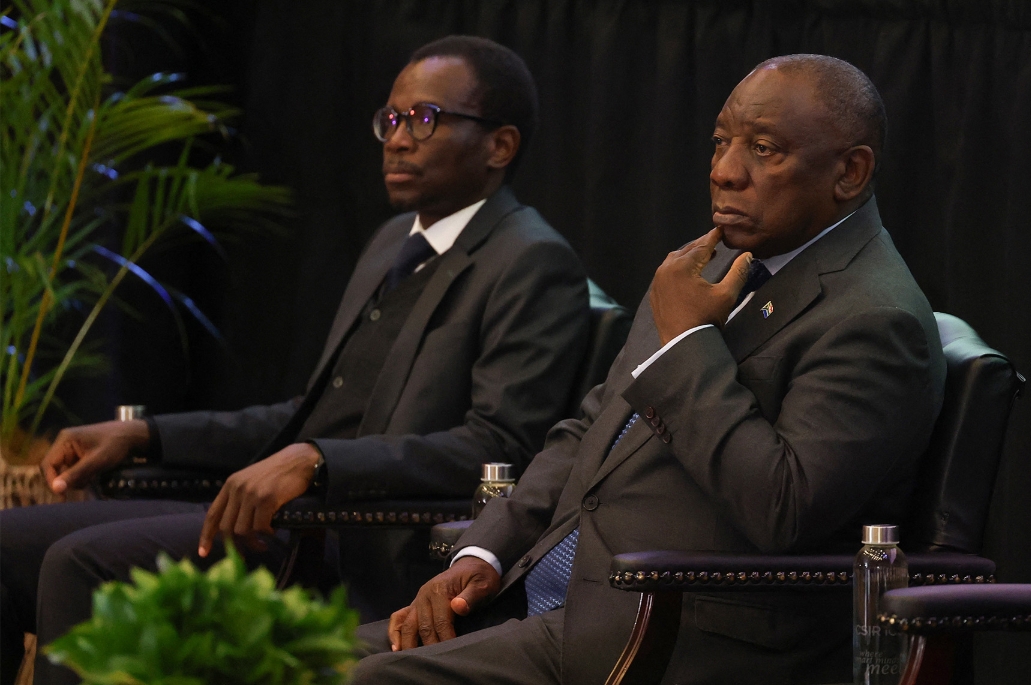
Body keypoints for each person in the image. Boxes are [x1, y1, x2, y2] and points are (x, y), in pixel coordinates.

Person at [0, 36, 592, 685]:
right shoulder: (393, 243)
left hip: (357, 541)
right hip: (288, 522)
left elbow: (497, 444)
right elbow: (308, 415)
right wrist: (147, 433)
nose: (397, 140)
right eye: (391, 120)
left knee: (80, 562)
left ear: (499, 145)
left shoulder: (530, 260)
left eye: (425, 119)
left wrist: (317, 461)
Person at [347, 54, 948, 685]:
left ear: (850, 172)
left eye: (763, 149)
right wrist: (486, 550)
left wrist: (687, 342)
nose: (724, 171)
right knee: (302, 653)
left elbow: (783, 508)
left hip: (672, 638)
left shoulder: (876, 319)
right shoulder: (711, 264)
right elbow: (591, 429)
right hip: (546, 597)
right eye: (720, 142)